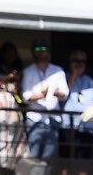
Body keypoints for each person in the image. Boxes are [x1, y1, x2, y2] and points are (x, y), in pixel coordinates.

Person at [21, 37, 69, 167]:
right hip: (35, 117)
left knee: (49, 157)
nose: (40, 52)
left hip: (52, 118)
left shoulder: (57, 70)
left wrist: (53, 92)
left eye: (43, 49)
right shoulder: (28, 71)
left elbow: (65, 93)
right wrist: (42, 95)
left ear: (48, 52)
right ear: (33, 52)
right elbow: (25, 96)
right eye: (37, 49)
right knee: (33, 155)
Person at [60, 50, 93, 175]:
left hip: (87, 127)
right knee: (66, 159)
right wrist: (73, 74)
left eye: (82, 62)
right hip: (68, 125)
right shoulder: (64, 77)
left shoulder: (90, 81)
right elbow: (63, 93)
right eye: (76, 61)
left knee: (84, 161)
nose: (79, 64)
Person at [0, 42, 28, 175]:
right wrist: (6, 77)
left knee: (15, 141)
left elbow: (21, 93)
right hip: (1, 107)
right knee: (0, 141)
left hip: (14, 107)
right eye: (8, 54)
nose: (11, 57)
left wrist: (17, 79)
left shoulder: (18, 70)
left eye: (13, 54)